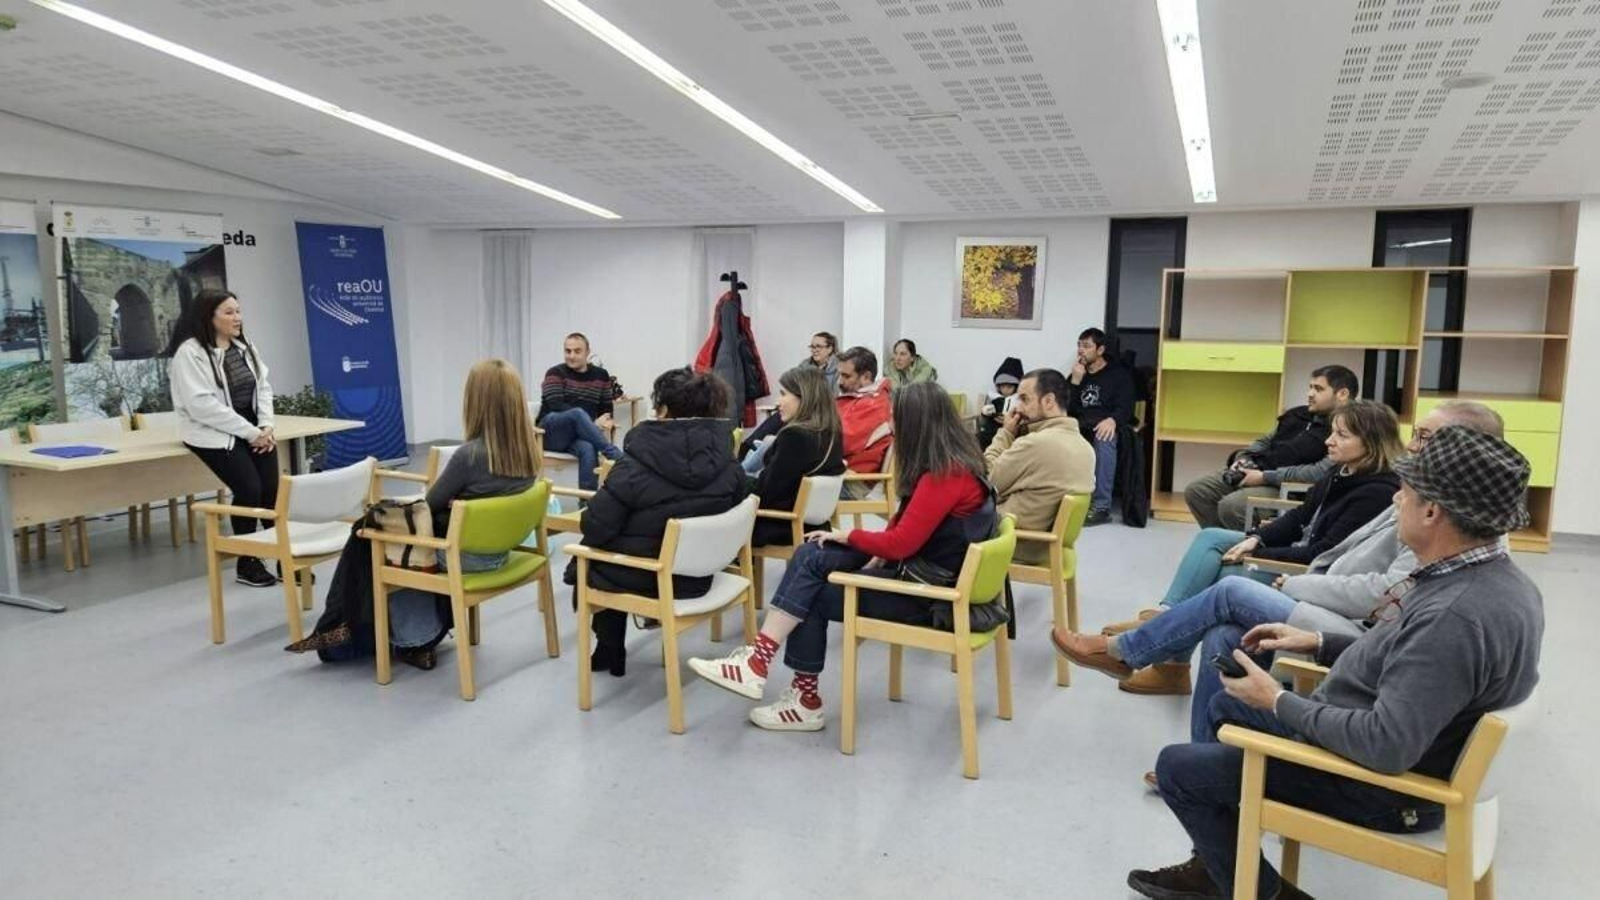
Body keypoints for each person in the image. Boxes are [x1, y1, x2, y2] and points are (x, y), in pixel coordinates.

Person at [1124, 425, 1541, 900]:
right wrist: (1318, 642)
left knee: (1179, 767)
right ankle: (1220, 865)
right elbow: (1409, 660)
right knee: (1226, 705)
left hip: (1385, 789)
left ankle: (1261, 891)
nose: (1396, 500)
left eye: (1405, 491)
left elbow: (1386, 746)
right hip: (1398, 750)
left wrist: (1279, 700)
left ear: (1432, 511)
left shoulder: (1453, 615)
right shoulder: (1495, 581)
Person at [1056, 400, 1505, 720]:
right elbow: (1311, 525)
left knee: (1230, 586)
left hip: (1348, 627)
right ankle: (1213, 758)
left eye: (1425, 437)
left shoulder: (1441, 517)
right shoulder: (1397, 488)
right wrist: (1258, 539)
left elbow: (1381, 593)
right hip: (1328, 598)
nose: (1412, 444)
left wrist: (1293, 582)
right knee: (1224, 634)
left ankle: (1131, 649)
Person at [688, 382, 996, 732]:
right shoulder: (955, 466)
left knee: (813, 594)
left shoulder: (945, 475)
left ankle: (793, 692)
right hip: (927, 575)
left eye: (896, 419)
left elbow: (900, 544)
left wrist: (851, 535)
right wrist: (852, 541)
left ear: (918, 424)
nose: (891, 427)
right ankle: (760, 663)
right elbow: (907, 531)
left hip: (931, 597)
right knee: (812, 552)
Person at [287, 359, 542, 670]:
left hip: (463, 556)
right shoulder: (529, 451)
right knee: (389, 538)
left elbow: (430, 504)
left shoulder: (470, 456)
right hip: (499, 551)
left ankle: (395, 636)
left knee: (374, 537)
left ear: (476, 402)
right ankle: (381, 630)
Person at [577, 368, 749, 678]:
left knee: (592, 553)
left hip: (655, 577)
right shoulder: (728, 459)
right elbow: (738, 507)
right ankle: (609, 647)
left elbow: (594, 526)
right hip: (705, 573)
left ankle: (608, 647)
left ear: (664, 410)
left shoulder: (634, 464)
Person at [169, 288, 280, 588]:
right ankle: (248, 562)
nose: (237, 318)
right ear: (209, 316)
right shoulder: (189, 353)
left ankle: (285, 553)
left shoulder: (244, 347)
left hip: (255, 429)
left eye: (238, 311)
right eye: (229, 312)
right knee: (249, 489)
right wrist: (251, 433)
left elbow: (264, 387)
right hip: (213, 432)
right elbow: (201, 406)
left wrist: (266, 426)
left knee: (272, 491)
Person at [1183, 365, 1358, 531]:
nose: (1310, 394)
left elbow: (1318, 472)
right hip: (1259, 471)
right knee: (1198, 491)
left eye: (1318, 389)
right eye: (1310, 387)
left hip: (1291, 488)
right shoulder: (1299, 414)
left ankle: (1248, 550)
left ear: (1342, 394)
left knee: (1232, 506)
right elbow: (1265, 441)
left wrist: (1264, 477)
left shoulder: (1349, 428)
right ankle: (1224, 545)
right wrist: (1244, 458)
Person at [983, 368, 1094, 564]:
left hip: (1015, 541)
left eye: (1024, 399)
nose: (1018, 408)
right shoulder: (1085, 447)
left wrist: (1006, 432)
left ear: (1049, 401)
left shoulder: (1036, 444)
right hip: (1048, 544)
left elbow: (985, 484)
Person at [749, 367, 845, 548]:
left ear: (805, 398)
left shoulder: (794, 436)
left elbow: (766, 493)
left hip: (780, 524)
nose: (778, 402)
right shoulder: (831, 433)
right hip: (813, 524)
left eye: (784, 394)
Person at [1067, 327, 1135, 526]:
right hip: (1080, 425)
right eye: (1079, 345)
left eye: (1086, 346)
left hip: (1107, 425)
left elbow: (1126, 407)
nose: (1081, 350)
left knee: (1104, 437)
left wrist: (1112, 420)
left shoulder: (1118, 375)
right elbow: (1065, 410)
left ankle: (1101, 506)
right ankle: (1062, 499)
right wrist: (1076, 382)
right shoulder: (1076, 374)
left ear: (1100, 349)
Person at [538, 332, 623, 492]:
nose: (571, 356)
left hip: (578, 436)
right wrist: (592, 423)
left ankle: (586, 503)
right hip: (550, 433)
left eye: (577, 351)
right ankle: (617, 457)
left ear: (587, 352)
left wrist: (606, 419)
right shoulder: (555, 373)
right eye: (567, 351)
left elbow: (606, 408)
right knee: (577, 413)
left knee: (588, 449)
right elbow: (555, 404)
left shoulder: (601, 375)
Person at [834, 346, 894, 500]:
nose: (840, 381)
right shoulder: (857, 398)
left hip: (851, 482)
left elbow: (841, 442)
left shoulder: (874, 405)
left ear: (866, 377)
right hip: (839, 473)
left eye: (846, 376)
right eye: (839, 375)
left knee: (782, 487)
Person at [976, 356, 1024, 449]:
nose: (1005, 390)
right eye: (1002, 387)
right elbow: (986, 412)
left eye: (1009, 387)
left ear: (1016, 387)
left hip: (1012, 428)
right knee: (982, 437)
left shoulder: (1019, 399)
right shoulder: (995, 398)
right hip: (992, 426)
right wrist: (986, 412)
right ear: (998, 387)